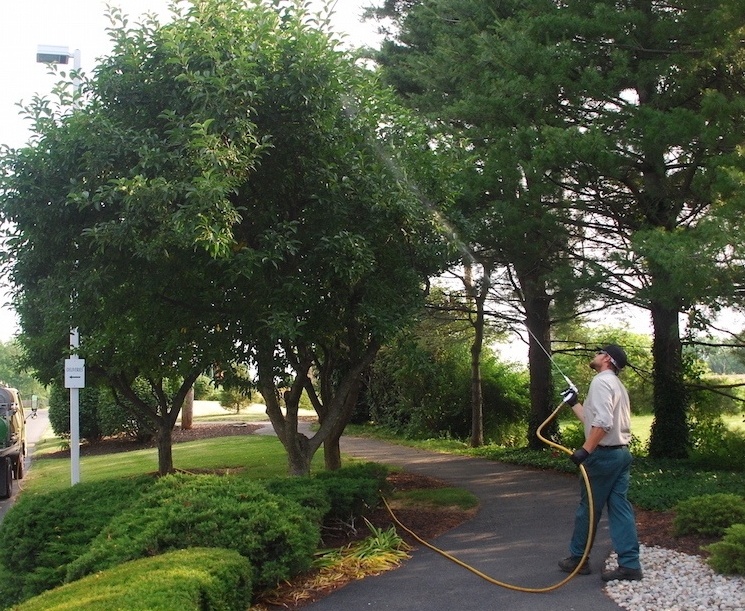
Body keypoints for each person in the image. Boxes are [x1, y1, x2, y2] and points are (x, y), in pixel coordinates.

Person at [558, 344, 643, 582]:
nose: (594, 356)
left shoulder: (600, 382)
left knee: (589, 510)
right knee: (620, 508)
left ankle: (578, 559)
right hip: (621, 454)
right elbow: (593, 419)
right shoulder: (616, 384)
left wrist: (585, 450)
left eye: (598, 352)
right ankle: (629, 565)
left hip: (603, 456)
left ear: (606, 358)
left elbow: (603, 424)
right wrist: (573, 402)